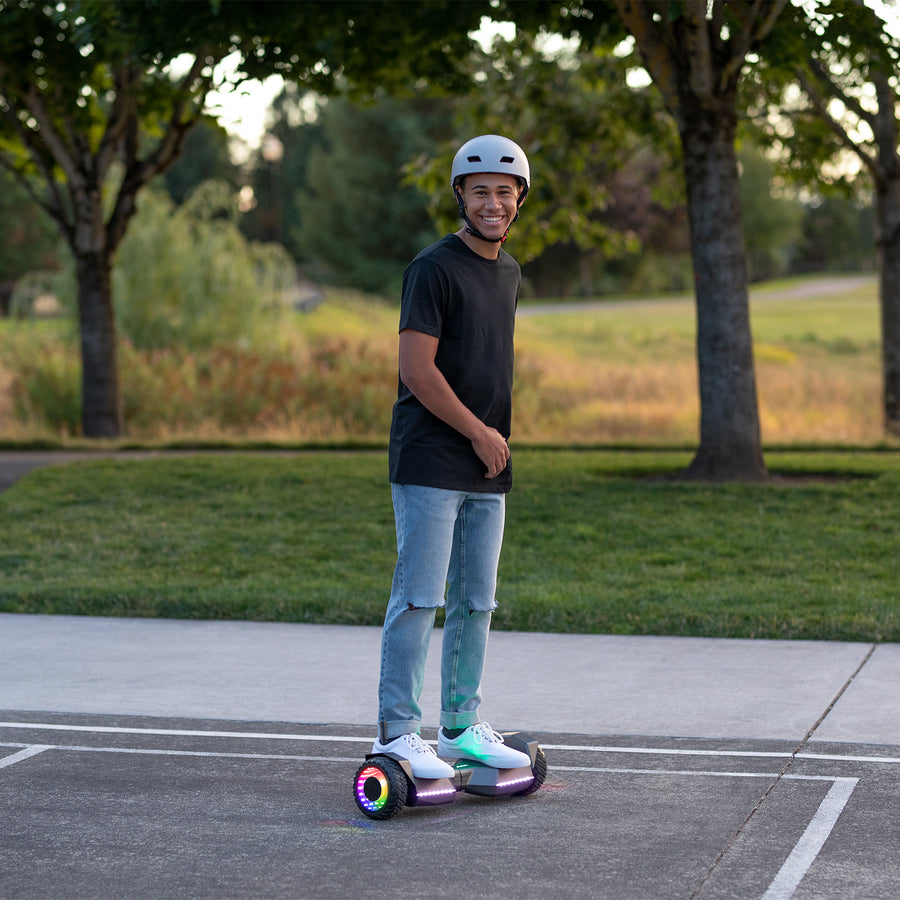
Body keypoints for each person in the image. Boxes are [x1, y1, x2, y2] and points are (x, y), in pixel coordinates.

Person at [372, 135, 533, 778]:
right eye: (480, 191)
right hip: (433, 457)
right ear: (460, 196)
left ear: (519, 199)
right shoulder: (432, 268)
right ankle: (398, 733)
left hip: (486, 459)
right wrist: (476, 431)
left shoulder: (509, 271)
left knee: (476, 601)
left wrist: (489, 440)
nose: (492, 202)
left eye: (504, 191)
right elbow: (417, 369)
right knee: (418, 597)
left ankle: (462, 727)